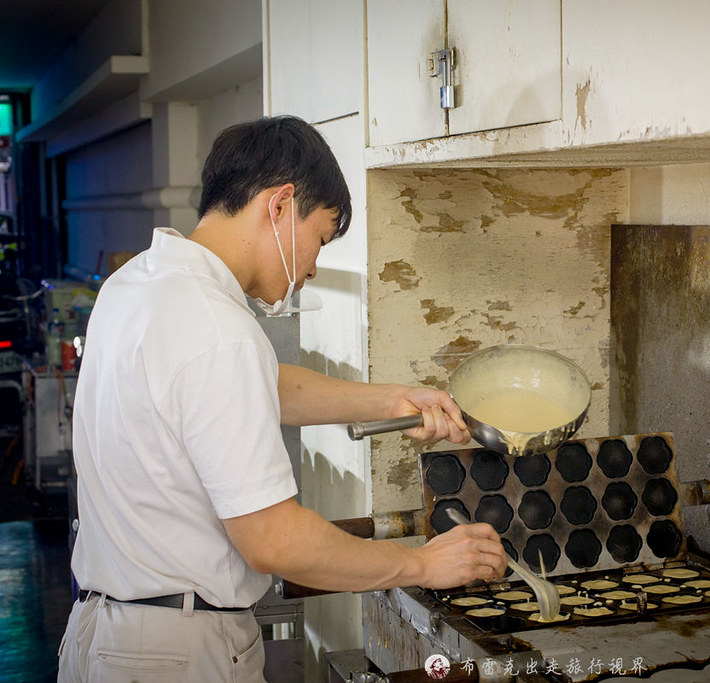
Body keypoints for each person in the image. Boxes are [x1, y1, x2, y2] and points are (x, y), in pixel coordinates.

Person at [57, 116, 507, 682]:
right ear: (279, 204)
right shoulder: (217, 329)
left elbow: (262, 388)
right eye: (319, 236)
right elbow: (273, 541)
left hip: (107, 633)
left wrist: (394, 399)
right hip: (176, 654)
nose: (314, 266)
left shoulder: (136, 286)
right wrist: (423, 563)